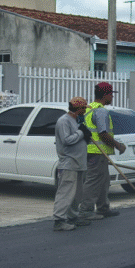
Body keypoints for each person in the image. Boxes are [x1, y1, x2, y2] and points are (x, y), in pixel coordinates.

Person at [78, 82, 126, 220]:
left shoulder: (88, 108)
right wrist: (118, 146)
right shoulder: (100, 111)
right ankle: (85, 211)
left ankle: (103, 208)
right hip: (96, 152)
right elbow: (103, 134)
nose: (112, 97)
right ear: (106, 95)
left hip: (90, 151)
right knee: (93, 181)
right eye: (111, 94)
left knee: (103, 180)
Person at [53, 97, 93, 231]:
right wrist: (81, 132)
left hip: (80, 162)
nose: (84, 111)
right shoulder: (64, 121)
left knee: (77, 193)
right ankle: (59, 220)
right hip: (69, 162)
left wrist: (86, 136)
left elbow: (80, 139)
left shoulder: (77, 120)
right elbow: (67, 140)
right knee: (66, 192)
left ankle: (73, 216)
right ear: (78, 109)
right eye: (83, 109)